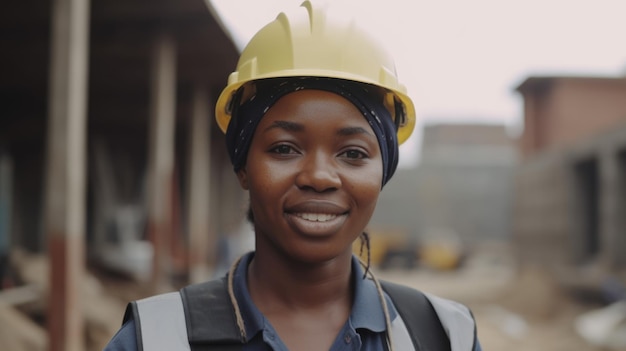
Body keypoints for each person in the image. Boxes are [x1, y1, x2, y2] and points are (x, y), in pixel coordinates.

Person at [104, 1, 483, 350]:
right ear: (243, 167)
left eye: (352, 153)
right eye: (284, 148)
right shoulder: (153, 339)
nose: (319, 176)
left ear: (383, 172)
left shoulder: (445, 337)